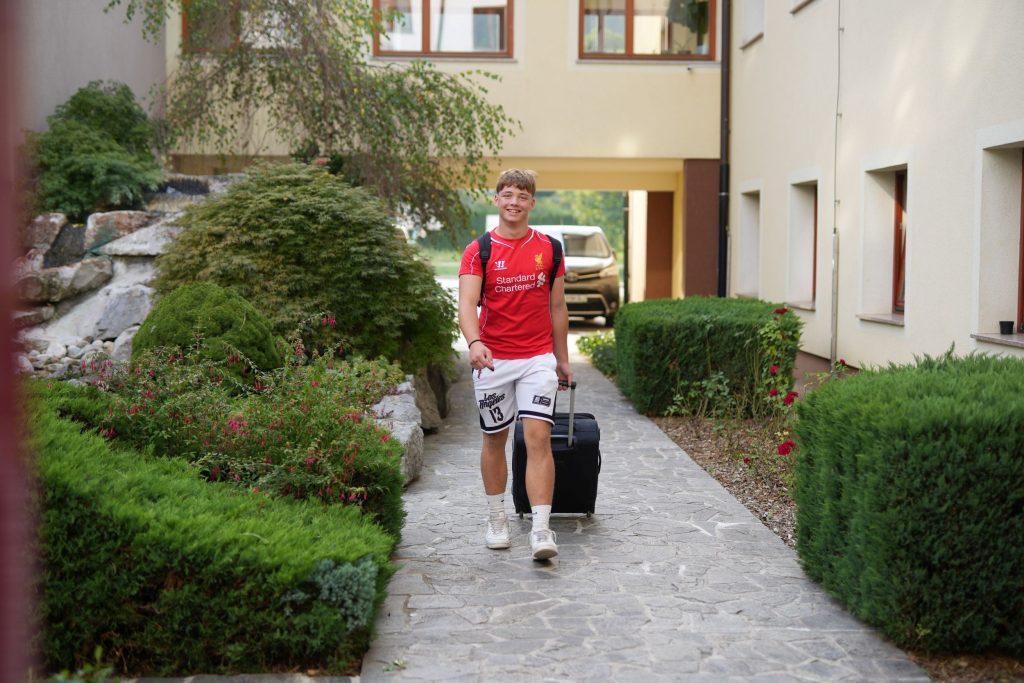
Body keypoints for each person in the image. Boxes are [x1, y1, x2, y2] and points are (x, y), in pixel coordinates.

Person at [458, 169, 572, 560]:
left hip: (537, 359)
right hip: (493, 361)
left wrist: (562, 359)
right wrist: (474, 343)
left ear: (532, 203)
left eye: (522, 196)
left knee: (538, 438)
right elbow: (466, 304)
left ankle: (541, 529)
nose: (514, 202)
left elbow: (558, 306)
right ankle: (497, 519)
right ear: (497, 200)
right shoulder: (479, 250)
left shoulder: (550, 249)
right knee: (494, 439)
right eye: (507, 194)